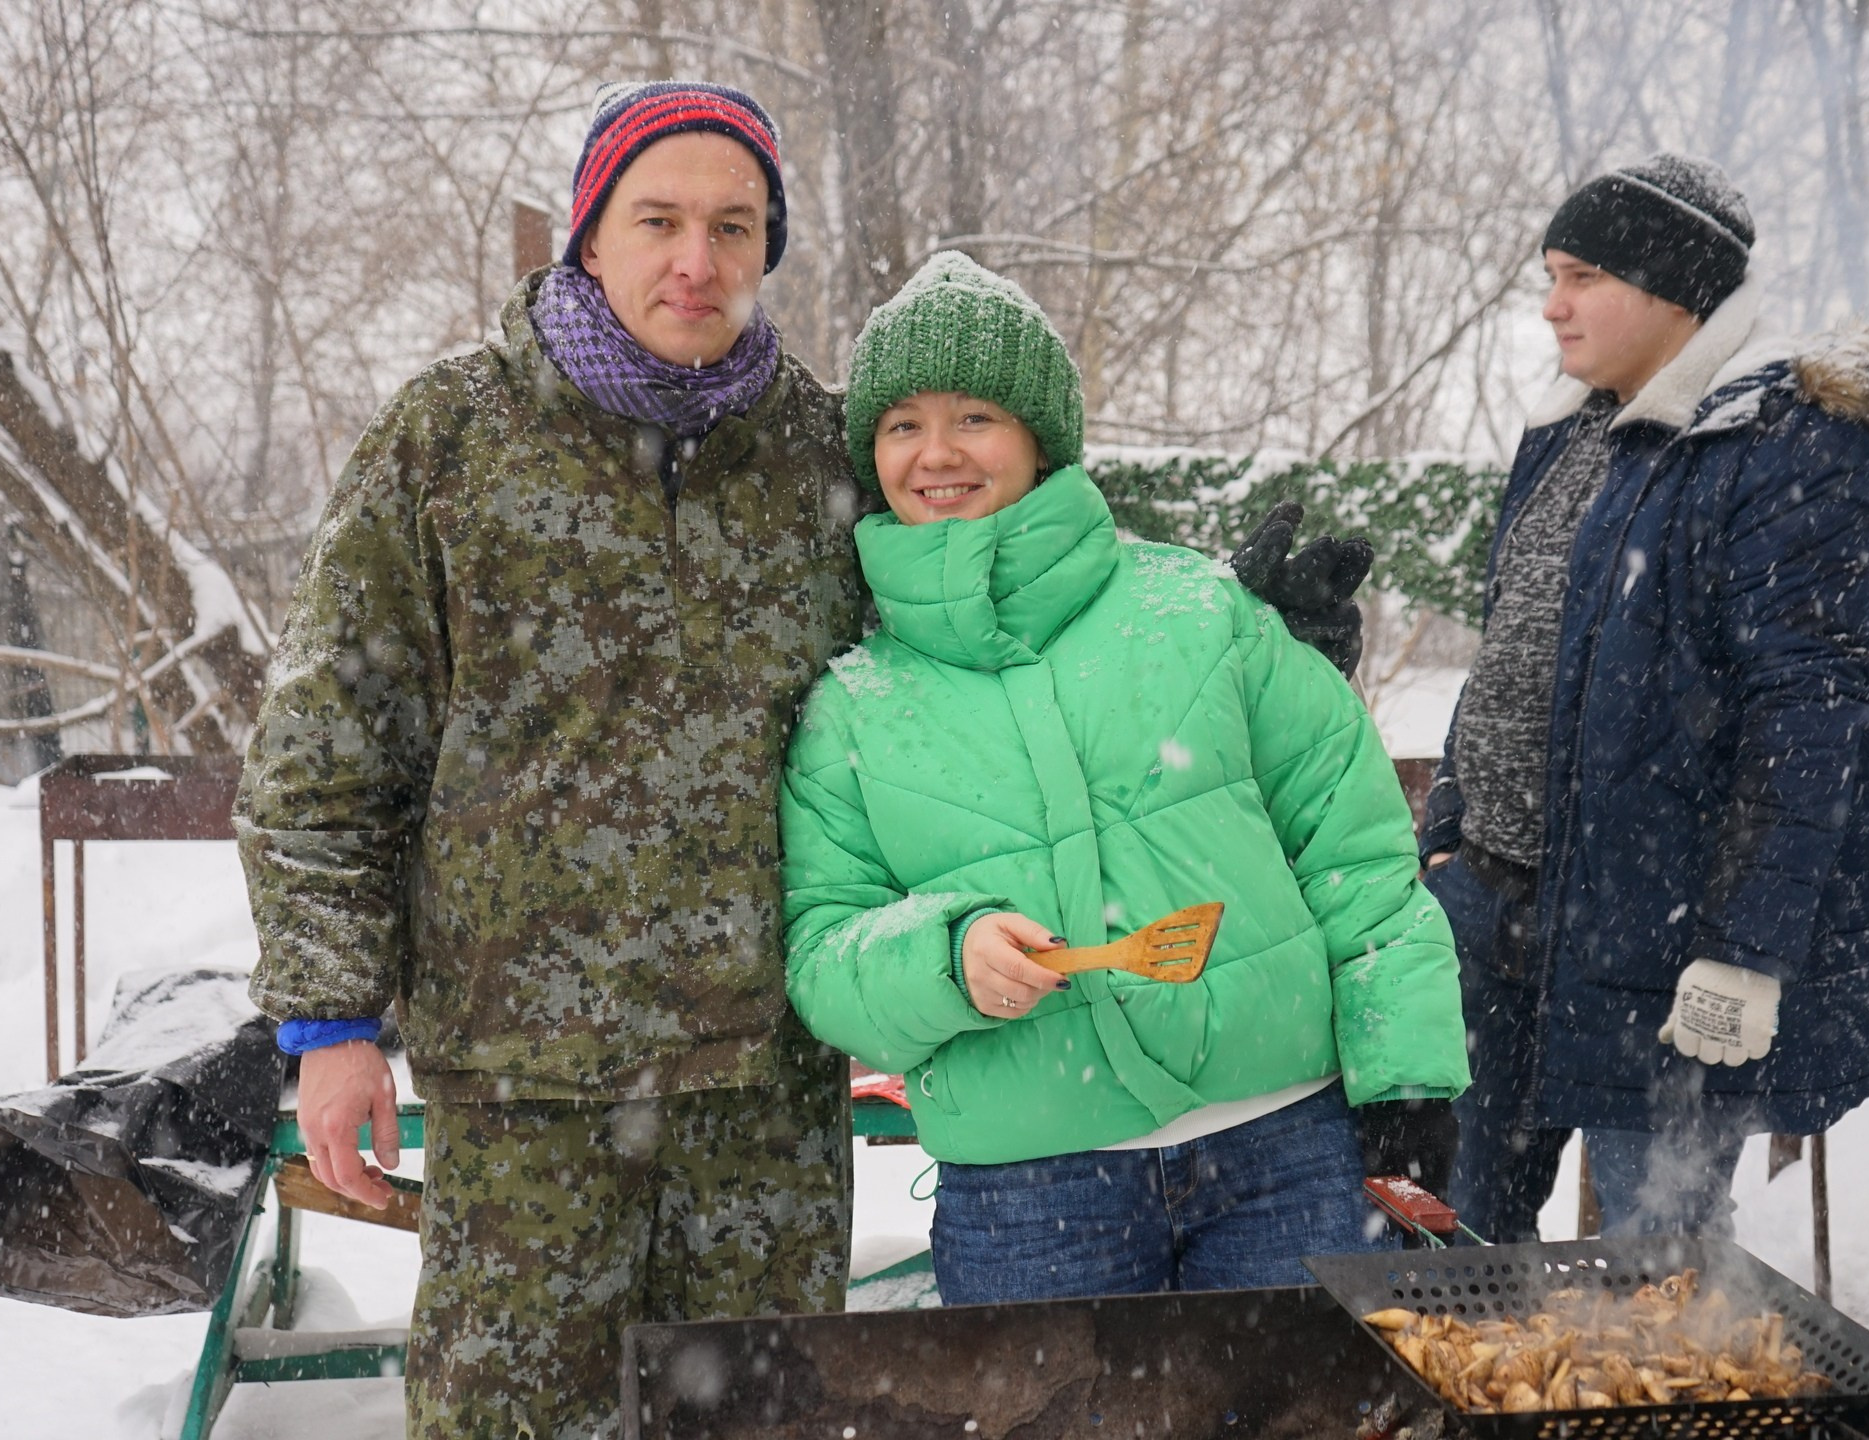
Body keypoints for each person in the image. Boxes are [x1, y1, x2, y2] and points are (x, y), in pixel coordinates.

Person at [236, 82, 1374, 1436]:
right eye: (657, 219)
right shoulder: (452, 443)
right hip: (527, 1086)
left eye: (734, 225)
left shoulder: (823, 456)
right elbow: (321, 759)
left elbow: (1009, 622)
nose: (695, 260)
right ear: (591, 235)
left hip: (761, 1095)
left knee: (766, 1423)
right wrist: (330, 1023)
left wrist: (1250, 641)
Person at [780, 253, 1470, 1303]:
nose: (936, 454)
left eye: (974, 417)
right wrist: (943, 956)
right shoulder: (854, 705)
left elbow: (1352, 845)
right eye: (901, 424)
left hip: (1283, 1159)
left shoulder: (1200, 612)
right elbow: (825, 950)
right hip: (1030, 1198)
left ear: (1040, 438)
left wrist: (1406, 1069)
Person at [1418, 153, 1869, 1241]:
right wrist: (1450, 827)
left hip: (1659, 942)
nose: (1551, 306)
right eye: (1548, 275)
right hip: (1488, 912)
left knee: (1659, 1284)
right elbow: (1517, 647)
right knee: (1454, 1254)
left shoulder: (1785, 441)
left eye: (1580, 275)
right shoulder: (1566, 430)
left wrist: (1745, 950)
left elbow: (1812, 718)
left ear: (1675, 286)